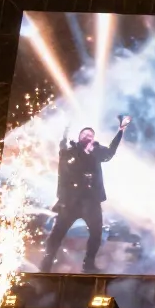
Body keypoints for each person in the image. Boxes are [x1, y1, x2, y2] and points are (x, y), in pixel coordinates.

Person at [40, 115, 130, 273]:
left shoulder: (97, 151)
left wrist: (120, 131)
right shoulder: (70, 151)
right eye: (85, 134)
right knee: (57, 234)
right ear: (79, 137)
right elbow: (63, 150)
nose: (88, 136)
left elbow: (110, 153)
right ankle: (46, 263)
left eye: (90, 134)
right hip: (70, 202)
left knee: (96, 233)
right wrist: (65, 130)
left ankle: (88, 265)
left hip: (91, 202)